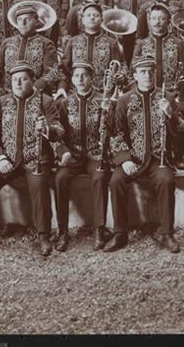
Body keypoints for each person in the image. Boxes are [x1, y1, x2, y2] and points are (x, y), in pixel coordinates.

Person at [0, 61, 62, 257]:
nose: (18, 83)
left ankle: (43, 235)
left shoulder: (45, 101)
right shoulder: (1, 102)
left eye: (23, 79)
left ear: (32, 81)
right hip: (7, 157)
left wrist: (47, 129)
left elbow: (59, 130)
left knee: (39, 184)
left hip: (35, 158)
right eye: (14, 79)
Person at [104, 56, 184, 253]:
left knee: (166, 181)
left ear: (155, 74)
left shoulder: (167, 97)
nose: (147, 75)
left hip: (159, 158)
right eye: (142, 72)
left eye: (150, 71)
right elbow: (116, 133)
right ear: (135, 76)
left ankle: (167, 233)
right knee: (116, 181)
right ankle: (120, 233)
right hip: (133, 158)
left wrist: (170, 114)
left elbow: (181, 130)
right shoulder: (125, 100)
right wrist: (124, 159)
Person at [54, 61, 113, 252]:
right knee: (60, 178)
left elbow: (114, 130)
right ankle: (63, 230)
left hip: (96, 154)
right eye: (76, 75)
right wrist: (63, 151)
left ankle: (99, 229)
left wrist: (108, 117)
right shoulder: (65, 103)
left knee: (100, 177)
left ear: (92, 78)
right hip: (74, 155)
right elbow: (58, 133)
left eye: (84, 75)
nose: (80, 79)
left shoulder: (103, 100)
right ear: (71, 79)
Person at [133, 2, 184, 169]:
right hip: (148, 92)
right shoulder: (142, 44)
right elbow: (133, 70)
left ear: (168, 21)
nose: (157, 22)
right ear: (149, 21)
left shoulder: (178, 44)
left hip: (172, 91)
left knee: (181, 109)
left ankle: (178, 153)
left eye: (161, 18)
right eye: (154, 19)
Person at [0, 2, 59, 95]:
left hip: (36, 94)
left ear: (36, 21)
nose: (23, 23)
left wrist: (34, 88)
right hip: (8, 94)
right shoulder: (7, 43)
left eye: (27, 19)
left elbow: (52, 73)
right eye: (19, 19)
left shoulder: (46, 44)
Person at [60, 1, 124, 94]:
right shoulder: (72, 42)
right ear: (82, 20)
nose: (92, 17)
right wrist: (62, 87)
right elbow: (64, 69)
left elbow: (120, 66)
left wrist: (120, 76)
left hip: (103, 93)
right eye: (88, 15)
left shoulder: (111, 43)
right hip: (76, 92)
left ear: (102, 20)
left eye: (96, 15)